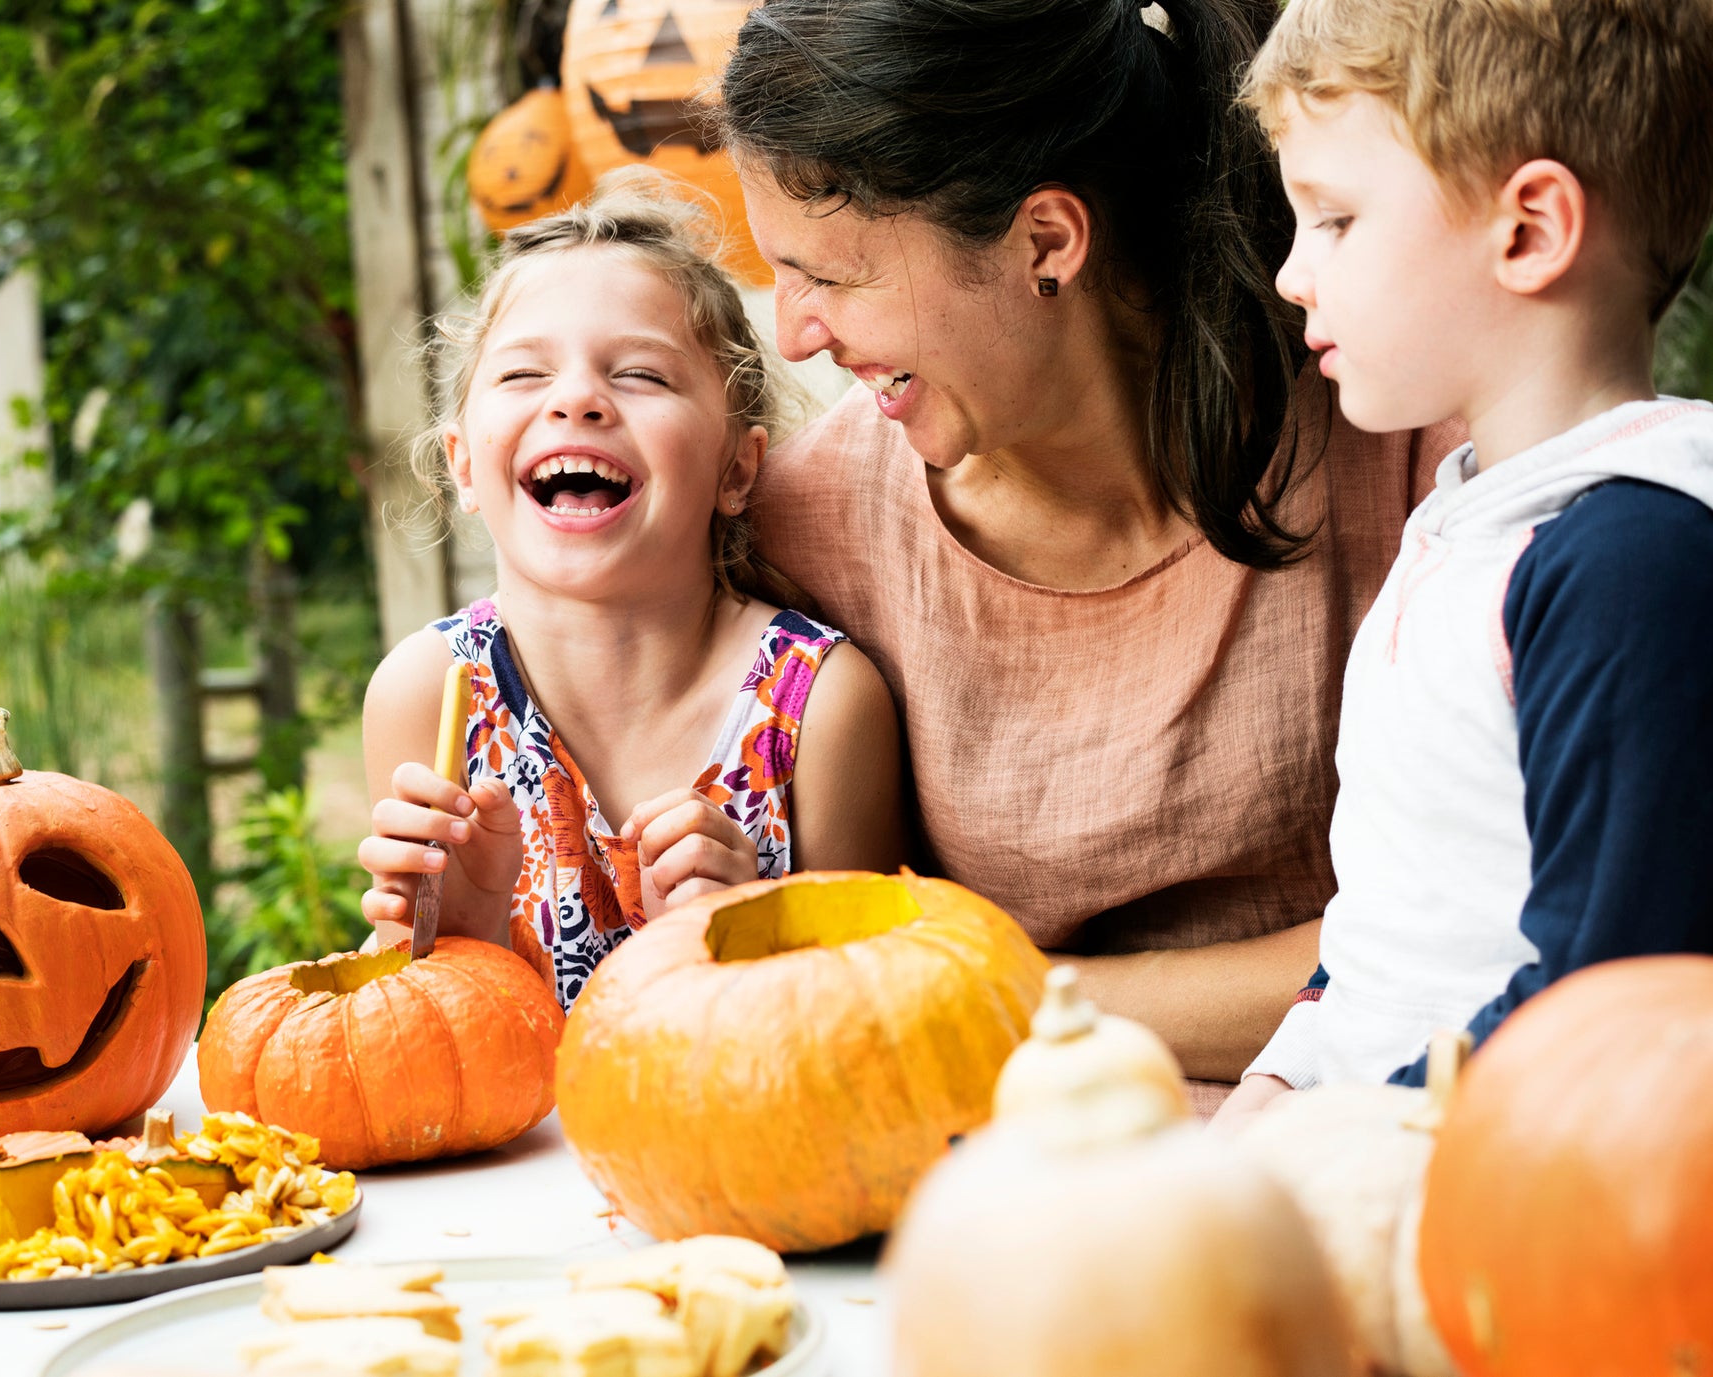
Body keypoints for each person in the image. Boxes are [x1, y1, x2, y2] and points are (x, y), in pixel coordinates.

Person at [718, 0, 1462, 1097]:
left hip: (1383, 1151)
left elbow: (1474, 931)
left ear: (1044, 243)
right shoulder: (809, 525)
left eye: (829, 277)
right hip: (997, 1192)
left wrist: (1002, 998)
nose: (792, 333)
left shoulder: (1398, 440)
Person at [1208, 0, 1713, 1120]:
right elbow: (1397, 913)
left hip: (1504, 1188)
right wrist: (1281, 1071)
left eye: (1332, 220)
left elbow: (1604, 994)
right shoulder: (1471, 525)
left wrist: (1343, 1136)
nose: (1291, 275)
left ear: (1527, 230)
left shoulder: (1629, 560)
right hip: (1375, 1141)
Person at [357, 177, 906, 1010]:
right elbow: (409, 1045)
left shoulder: (821, 707)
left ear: (737, 468)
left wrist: (746, 943)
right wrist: (460, 937)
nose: (576, 399)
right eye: (524, 374)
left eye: (642, 374)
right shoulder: (431, 693)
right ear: (465, 464)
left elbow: (878, 1016)